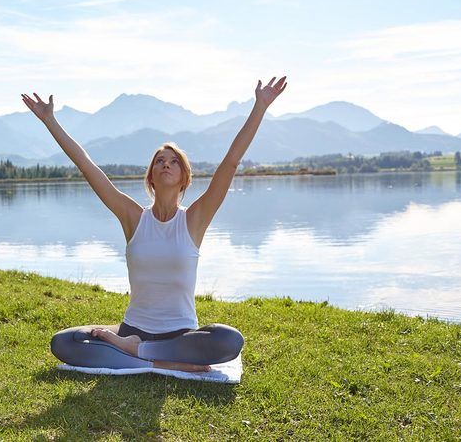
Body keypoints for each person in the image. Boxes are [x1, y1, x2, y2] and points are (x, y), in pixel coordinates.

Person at [22, 76, 287, 373]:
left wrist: (260, 107)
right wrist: (50, 121)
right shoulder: (133, 218)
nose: (166, 165)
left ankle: (138, 353)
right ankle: (154, 357)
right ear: (150, 176)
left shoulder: (194, 220)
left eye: (173, 161)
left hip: (179, 335)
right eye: (160, 161)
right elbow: (88, 166)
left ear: (185, 177)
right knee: (64, 342)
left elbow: (231, 162)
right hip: (133, 328)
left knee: (228, 340)